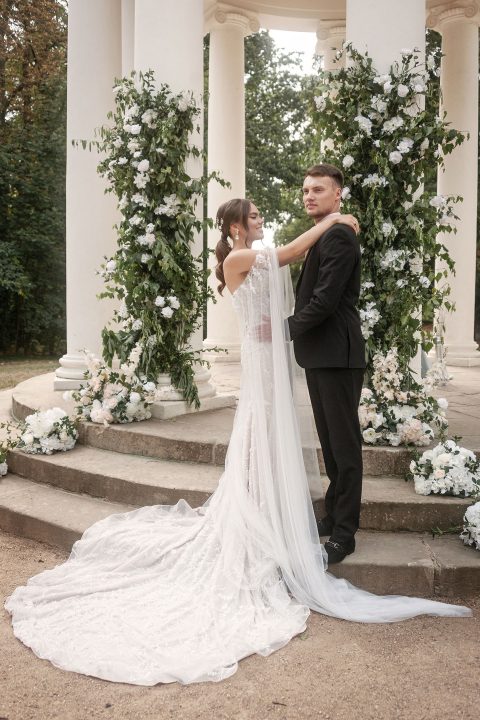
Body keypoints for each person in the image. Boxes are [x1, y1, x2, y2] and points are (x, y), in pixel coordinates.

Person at [4, 199, 471, 687]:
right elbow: (289, 253)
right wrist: (335, 219)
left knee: (268, 435)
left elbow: (285, 262)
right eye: (253, 218)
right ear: (233, 226)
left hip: (270, 356)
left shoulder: (250, 254)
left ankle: (265, 509)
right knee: (258, 435)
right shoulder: (236, 259)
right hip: (260, 357)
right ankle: (254, 514)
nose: (260, 222)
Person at [287, 163, 366, 564]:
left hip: (338, 355)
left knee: (344, 446)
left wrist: (284, 330)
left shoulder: (338, 236)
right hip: (322, 355)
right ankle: (333, 515)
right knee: (332, 445)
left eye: (318, 190)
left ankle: (345, 533)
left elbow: (325, 300)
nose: (309, 196)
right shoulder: (325, 233)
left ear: (338, 196)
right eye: (305, 190)